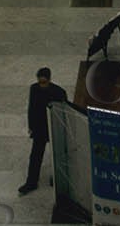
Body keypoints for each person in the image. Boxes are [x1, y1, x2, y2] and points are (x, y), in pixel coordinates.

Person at [19, 66, 68, 194]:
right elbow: (32, 108)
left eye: (44, 82)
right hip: (40, 128)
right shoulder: (34, 89)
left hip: (53, 126)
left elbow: (64, 112)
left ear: (50, 80)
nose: (41, 85)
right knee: (35, 156)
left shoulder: (59, 92)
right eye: (40, 82)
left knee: (58, 155)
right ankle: (31, 182)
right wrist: (31, 126)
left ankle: (58, 180)